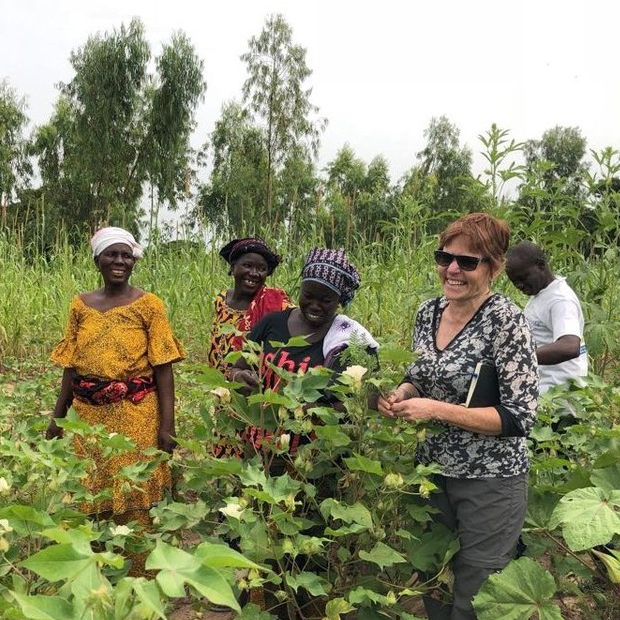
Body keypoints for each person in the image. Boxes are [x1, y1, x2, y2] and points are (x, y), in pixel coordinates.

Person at [376, 213, 538, 620]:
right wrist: (402, 394)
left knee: (476, 590)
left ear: (494, 267)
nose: (452, 269)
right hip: (430, 475)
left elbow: (518, 416)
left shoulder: (507, 321)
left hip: (489, 480)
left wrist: (434, 409)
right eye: (445, 257)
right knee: (433, 577)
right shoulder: (428, 312)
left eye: (468, 262)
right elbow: (419, 375)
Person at [46, 227, 185, 564]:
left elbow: (163, 368)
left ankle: (140, 573)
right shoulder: (80, 305)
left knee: (134, 488)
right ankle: (96, 569)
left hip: (136, 413)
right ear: (98, 259)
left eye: (126, 255)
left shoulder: (150, 306)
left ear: (134, 261)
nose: (119, 261)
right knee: (91, 485)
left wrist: (167, 426)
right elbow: (71, 365)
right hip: (89, 416)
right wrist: (58, 417)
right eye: (112, 254)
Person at [232, 247, 379, 454]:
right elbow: (238, 367)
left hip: (319, 455)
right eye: (308, 295)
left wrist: (310, 410)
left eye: (326, 300)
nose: (315, 305)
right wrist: (239, 376)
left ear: (339, 299)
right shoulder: (272, 323)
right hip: (262, 448)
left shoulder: (350, 340)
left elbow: (369, 400)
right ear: (300, 289)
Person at [505, 240, 587, 395]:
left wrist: (519, 357)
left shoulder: (560, 300)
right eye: (514, 282)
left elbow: (570, 346)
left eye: (523, 278)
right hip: (546, 392)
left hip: (560, 397)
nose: (519, 285)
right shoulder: (541, 294)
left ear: (541, 265)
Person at [208, 237, 291, 374]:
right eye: (247, 265)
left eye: (261, 268)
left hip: (252, 385)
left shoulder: (276, 305)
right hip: (218, 384)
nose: (254, 273)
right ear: (233, 267)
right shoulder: (221, 299)